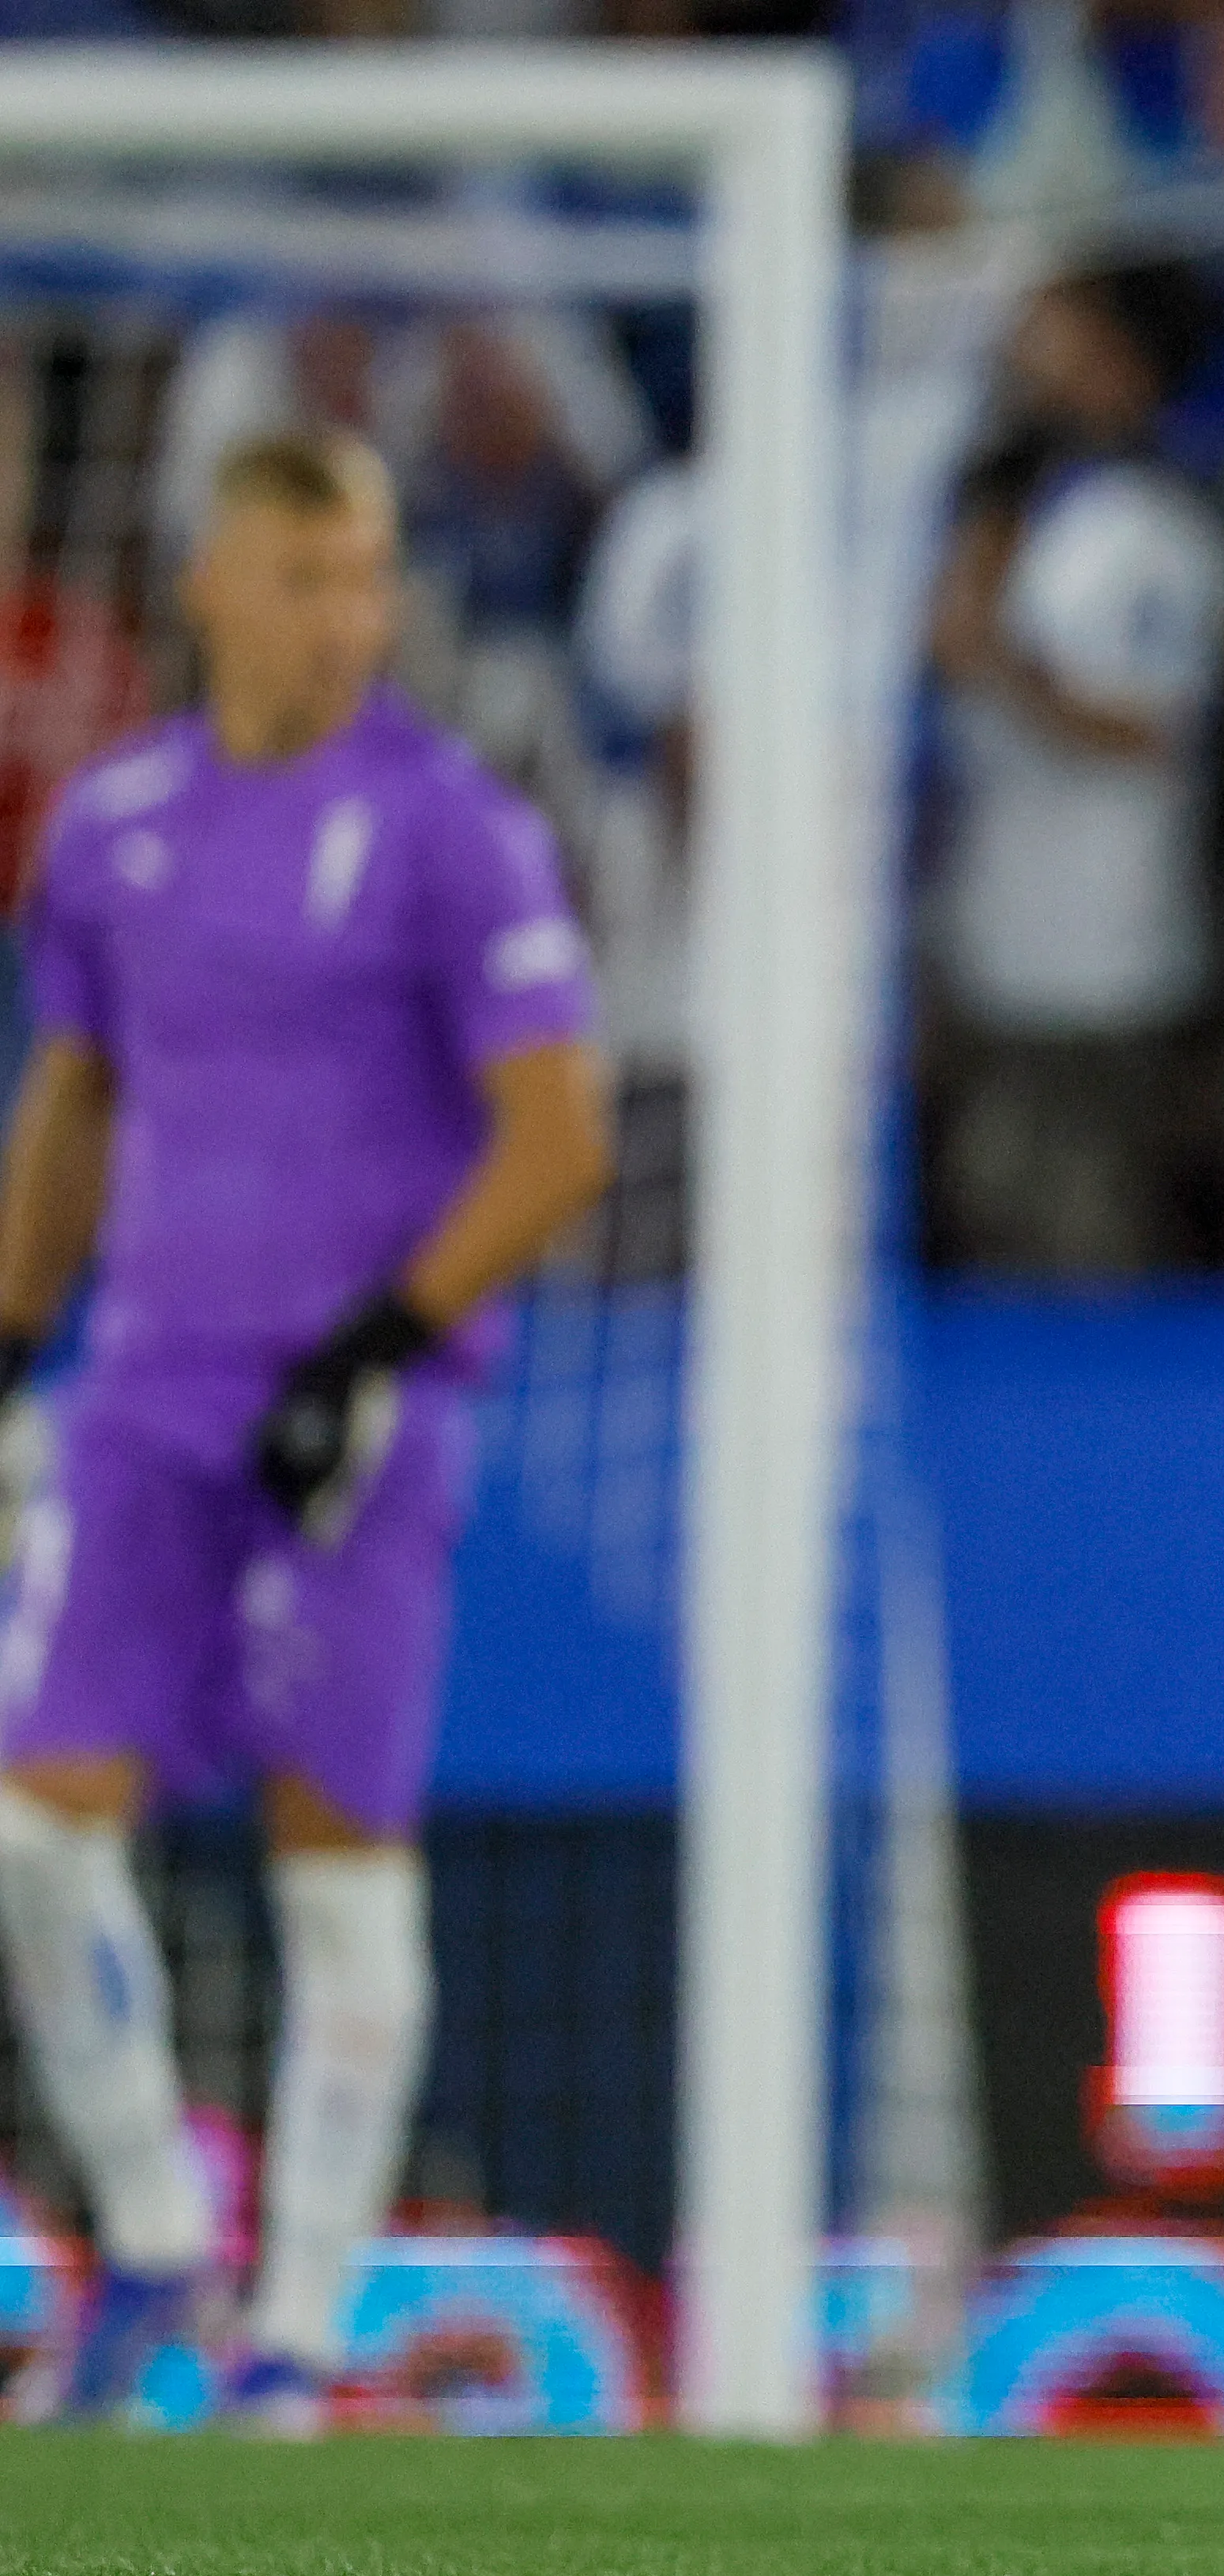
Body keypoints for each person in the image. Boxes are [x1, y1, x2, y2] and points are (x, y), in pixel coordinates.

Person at [0, 429, 612, 2430]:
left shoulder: (450, 830)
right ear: (209, 583)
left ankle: (299, 2337)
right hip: (145, 1391)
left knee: (334, 1857)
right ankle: (155, 2232)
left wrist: (374, 1350)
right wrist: (11, 1332)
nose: (347, 617)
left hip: (354, 1410)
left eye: (368, 576)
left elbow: (559, 1137)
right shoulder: (114, 825)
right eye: (306, 575)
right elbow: (77, 1094)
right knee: (32, 1827)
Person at [923, 269, 1224, 1276]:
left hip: (1111, 964)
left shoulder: (1161, 531)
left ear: (1123, 368)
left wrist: (998, 655)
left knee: (1090, 1262)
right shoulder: (999, 512)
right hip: (984, 946)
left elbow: (1150, 729)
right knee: (987, 1250)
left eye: (1056, 343)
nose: (1026, 368)